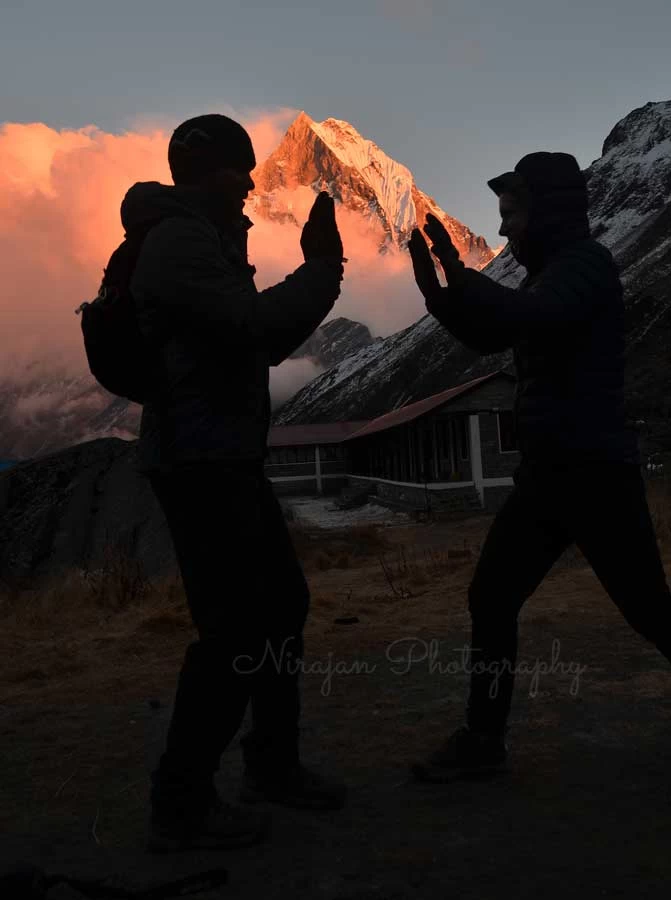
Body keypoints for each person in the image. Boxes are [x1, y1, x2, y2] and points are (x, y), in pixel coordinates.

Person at [407, 151, 671, 785]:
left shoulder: (584, 268)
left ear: (546, 213)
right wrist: (441, 296)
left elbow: (528, 320)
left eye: (511, 214)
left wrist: (463, 280)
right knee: (493, 596)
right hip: (553, 474)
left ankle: (482, 741)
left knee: (650, 610)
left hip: (592, 471)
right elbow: (496, 335)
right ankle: (482, 741)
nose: (504, 231)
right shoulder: (551, 275)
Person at [122, 114, 347, 852]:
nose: (252, 182)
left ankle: (271, 764)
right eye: (240, 169)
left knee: (281, 604)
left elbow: (249, 334)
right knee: (235, 631)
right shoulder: (180, 242)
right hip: (198, 460)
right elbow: (255, 330)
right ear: (207, 170)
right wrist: (321, 269)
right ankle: (182, 801)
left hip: (223, 453)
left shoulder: (205, 237)